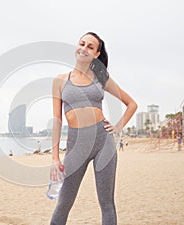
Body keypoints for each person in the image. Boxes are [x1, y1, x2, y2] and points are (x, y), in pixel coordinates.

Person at [50, 32, 137, 225]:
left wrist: (117, 127)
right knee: (64, 203)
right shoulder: (60, 80)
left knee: (106, 203)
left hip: (102, 141)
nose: (84, 48)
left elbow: (131, 104)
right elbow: (57, 120)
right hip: (75, 144)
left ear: (97, 54)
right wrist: (55, 158)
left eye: (90, 46)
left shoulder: (102, 78)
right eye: (82, 43)